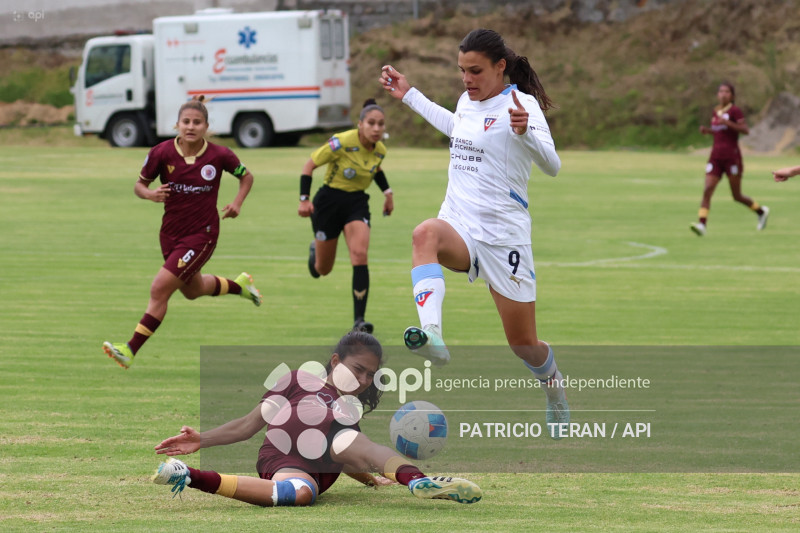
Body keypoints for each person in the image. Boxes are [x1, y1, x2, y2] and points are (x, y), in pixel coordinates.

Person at [378, 29, 569, 438]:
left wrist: (526, 136)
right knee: (423, 234)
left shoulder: (522, 105)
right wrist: (409, 95)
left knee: (523, 344)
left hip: (504, 238)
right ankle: (432, 333)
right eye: (462, 70)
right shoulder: (467, 101)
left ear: (500, 67)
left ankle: (555, 394)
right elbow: (458, 127)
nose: (467, 79)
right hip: (460, 223)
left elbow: (552, 165)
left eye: (476, 70)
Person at [151, 331, 482, 506]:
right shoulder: (297, 379)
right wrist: (201, 439)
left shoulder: (347, 407)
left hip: (320, 458)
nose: (365, 379)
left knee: (344, 456)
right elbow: (248, 425)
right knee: (310, 483)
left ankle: (417, 481)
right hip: (285, 456)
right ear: (335, 360)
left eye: (371, 374)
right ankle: (190, 476)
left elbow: (347, 455)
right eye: (358, 369)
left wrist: (369, 479)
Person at [103, 96, 262, 369]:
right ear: (177, 124)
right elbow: (139, 186)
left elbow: (246, 176)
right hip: (170, 234)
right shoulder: (161, 153)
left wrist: (237, 203)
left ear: (206, 126)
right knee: (193, 290)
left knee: (159, 288)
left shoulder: (220, 155)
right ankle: (240, 286)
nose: (191, 126)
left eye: (197, 122)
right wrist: (151, 194)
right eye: (186, 122)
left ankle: (129, 350)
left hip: (203, 234)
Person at [297, 99, 394, 334]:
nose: (376, 128)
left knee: (360, 255)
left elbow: (375, 169)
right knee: (323, 269)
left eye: (380, 124)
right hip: (328, 203)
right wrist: (304, 199)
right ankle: (315, 253)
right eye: (371, 123)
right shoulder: (341, 142)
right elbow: (309, 166)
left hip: (356, 204)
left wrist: (388, 193)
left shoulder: (380, 150)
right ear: (360, 124)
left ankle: (359, 321)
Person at [691, 82, 769, 236]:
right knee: (707, 190)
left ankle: (760, 211)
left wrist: (727, 122)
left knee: (736, 195)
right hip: (715, 158)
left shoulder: (735, 111)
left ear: (732, 96)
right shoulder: (716, 111)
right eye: (720, 91)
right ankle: (702, 224)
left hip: (732, 158)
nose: (723, 94)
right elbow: (719, 132)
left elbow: (745, 130)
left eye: (726, 92)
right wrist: (708, 131)